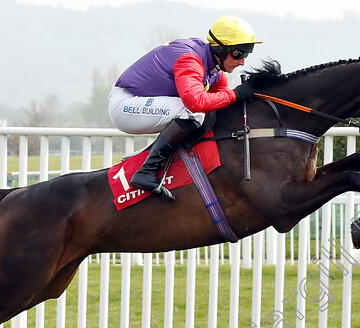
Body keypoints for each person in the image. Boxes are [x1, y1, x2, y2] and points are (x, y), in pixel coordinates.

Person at [107, 15, 261, 201]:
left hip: (141, 103)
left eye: (246, 54)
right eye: (238, 54)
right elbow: (194, 102)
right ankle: (147, 171)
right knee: (194, 112)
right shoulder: (190, 60)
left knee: (208, 112)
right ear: (219, 48)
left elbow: (221, 103)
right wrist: (236, 94)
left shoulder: (215, 72)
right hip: (125, 105)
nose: (242, 61)